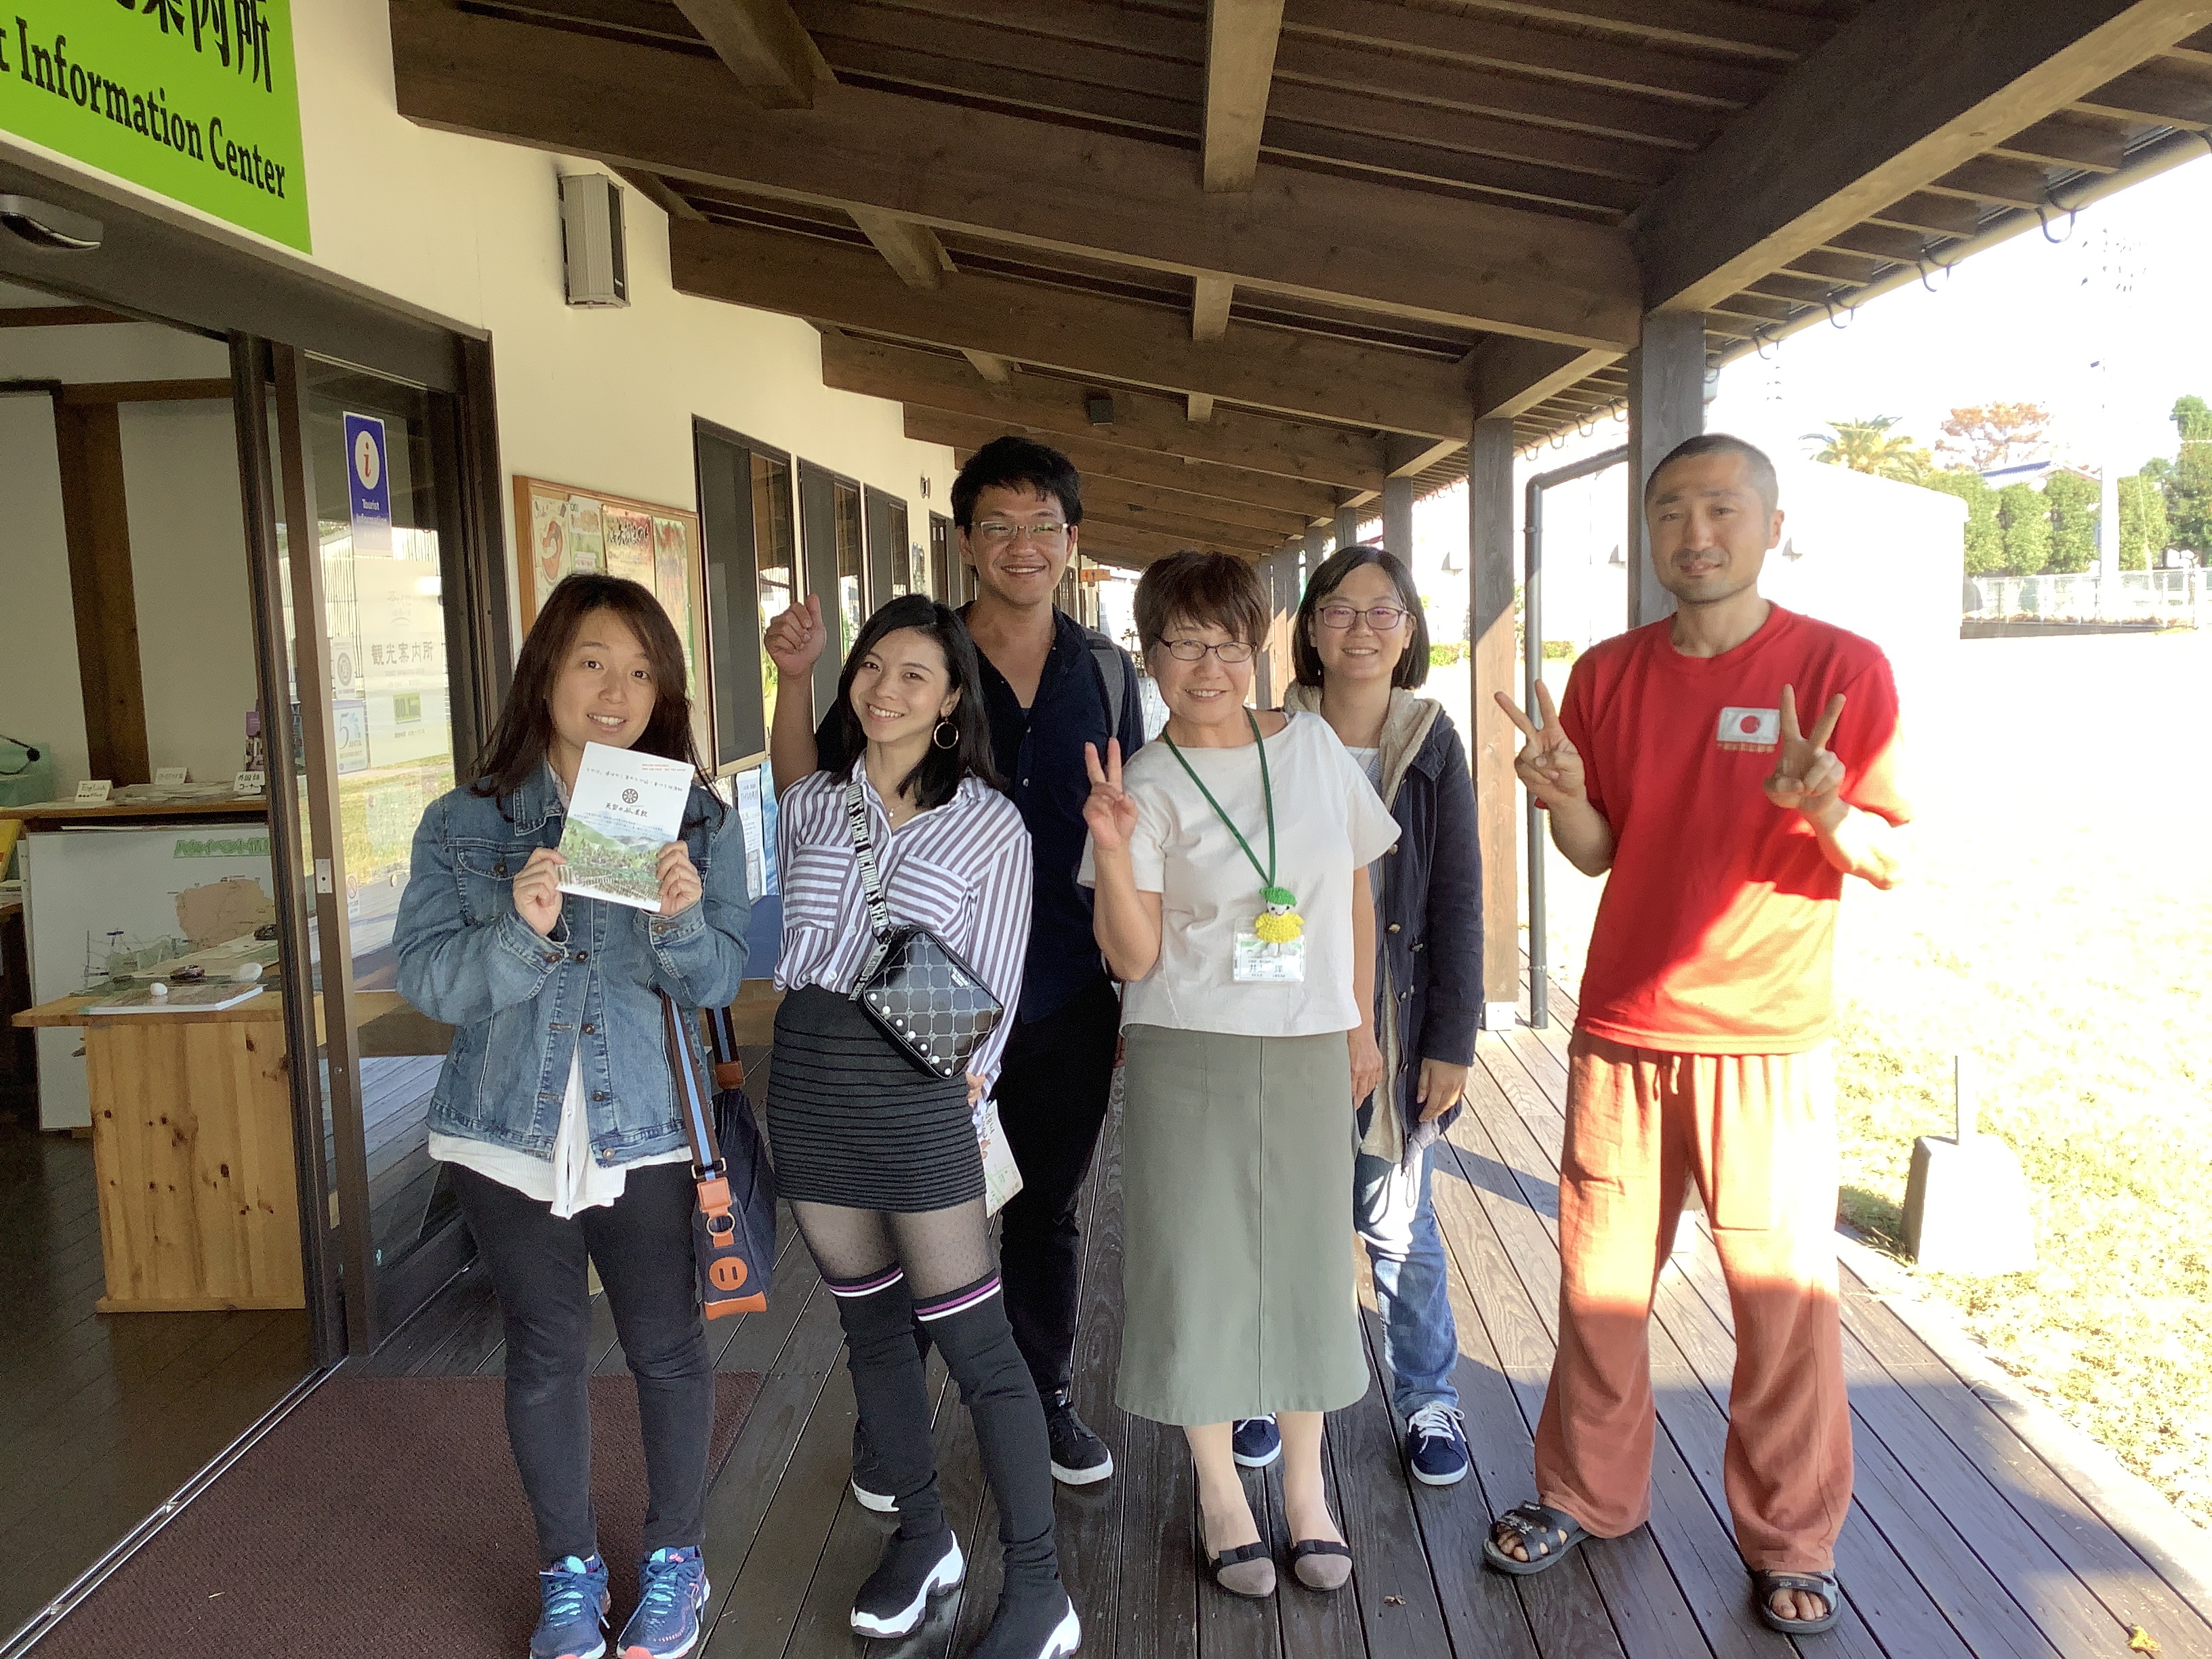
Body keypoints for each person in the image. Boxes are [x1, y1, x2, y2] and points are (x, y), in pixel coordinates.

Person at [1482, 434, 1908, 1639]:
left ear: (1774, 526)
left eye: (1722, 508)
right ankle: (1585, 1491)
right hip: (1623, 1028)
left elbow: (1884, 854)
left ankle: (1793, 1537)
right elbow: (1598, 852)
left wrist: (1827, 806)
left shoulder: (1840, 668)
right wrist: (1566, 796)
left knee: (1782, 1304)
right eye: (1670, 510)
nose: (1696, 532)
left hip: (1768, 1043)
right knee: (1600, 1284)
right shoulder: (1610, 674)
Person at [766, 436, 1141, 1495]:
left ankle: (1044, 1395)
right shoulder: (916, 655)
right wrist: (793, 680)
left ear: (1072, 539)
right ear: (967, 540)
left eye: (1042, 526)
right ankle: (898, 1423)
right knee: (916, 1216)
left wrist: (1134, 983)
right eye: (998, 526)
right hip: (911, 1014)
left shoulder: (1106, 672)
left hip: (1063, 993)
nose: (1022, 545)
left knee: (1044, 1211)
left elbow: (1138, 819)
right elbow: (812, 791)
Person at [395, 573, 751, 1659]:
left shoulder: (695, 818)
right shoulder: (464, 823)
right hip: (504, 1131)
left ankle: (676, 1560)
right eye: (593, 661)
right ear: (547, 670)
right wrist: (519, 928)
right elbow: (429, 981)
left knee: (665, 1347)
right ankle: (568, 1572)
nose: (616, 691)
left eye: (641, 672)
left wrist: (685, 923)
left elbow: (720, 980)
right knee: (543, 1351)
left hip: (646, 1130)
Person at [764, 594, 1079, 1659]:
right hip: (810, 1079)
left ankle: (1040, 1589)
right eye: (872, 667)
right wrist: (793, 678)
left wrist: (970, 1092)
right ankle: (924, 1537)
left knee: (977, 1341)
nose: (885, 688)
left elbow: (999, 972)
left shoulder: (990, 822)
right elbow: (793, 821)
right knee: (868, 1330)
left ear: (951, 703)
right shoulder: (816, 803)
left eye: (914, 675)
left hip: (915, 1088)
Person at [1082, 550, 1400, 1600]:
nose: (1208, 666)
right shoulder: (1144, 783)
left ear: (1259, 648)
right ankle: (1220, 1490)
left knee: (1310, 1259)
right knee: (1198, 1262)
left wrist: (1361, 1025)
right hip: (1189, 1046)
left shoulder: (1312, 747)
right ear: (1150, 653)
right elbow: (1133, 958)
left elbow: (1353, 892)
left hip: (1309, 1043)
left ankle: (1307, 1493)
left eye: (1227, 643)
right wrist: (1112, 849)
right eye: (1183, 643)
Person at [1232, 544, 1481, 1489]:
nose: (1363, 629)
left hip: (1399, 1022)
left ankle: (1427, 1395)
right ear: (1310, 630)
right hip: (1286, 1018)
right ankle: (1263, 1381)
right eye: (1339, 609)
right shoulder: (1267, 735)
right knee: (1275, 1212)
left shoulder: (1432, 741)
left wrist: (1451, 1042)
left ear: (1409, 631)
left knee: (1397, 1221)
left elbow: (1459, 897)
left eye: (1385, 611)